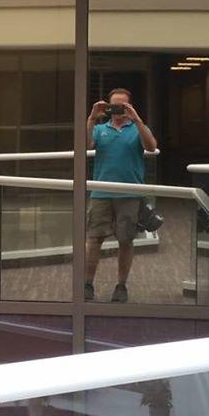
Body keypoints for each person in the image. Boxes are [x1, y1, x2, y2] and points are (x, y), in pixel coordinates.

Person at [84, 87, 157, 302]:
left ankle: (121, 285)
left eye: (122, 106)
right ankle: (86, 284)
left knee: (126, 241)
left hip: (130, 193)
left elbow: (151, 147)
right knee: (94, 239)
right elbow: (86, 144)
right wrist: (91, 118)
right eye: (113, 106)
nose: (117, 110)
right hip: (101, 192)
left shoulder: (137, 128)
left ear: (129, 106)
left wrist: (137, 120)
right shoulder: (100, 129)